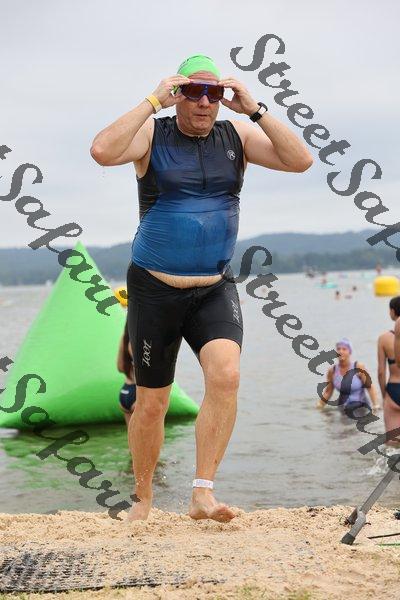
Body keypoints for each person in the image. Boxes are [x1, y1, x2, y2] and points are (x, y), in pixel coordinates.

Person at [90, 53, 313, 522]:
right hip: (154, 288)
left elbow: (301, 161)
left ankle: (202, 493)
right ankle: (143, 499)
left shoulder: (238, 136)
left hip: (214, 286)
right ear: (179, 95)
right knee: (152, 402)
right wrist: (152, 101)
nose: (205, 102)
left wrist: (256, 109)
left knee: (226, 376)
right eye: (194, 91)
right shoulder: (153, 134)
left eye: (214, 93)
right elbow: (102, 151)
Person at [318, 338, 379, 415]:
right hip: (343, 408)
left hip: (361, 407)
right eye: (338, 349)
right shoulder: (332, 370)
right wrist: (319, 406)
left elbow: (370, 387)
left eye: (344, 349)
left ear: (349, 352)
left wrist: (376, 405)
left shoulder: (358, 367)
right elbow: (328, 392)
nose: (341, 351)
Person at [378, 296, 400, 445]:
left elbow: (381, 372)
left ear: (392, 311)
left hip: (393, 389)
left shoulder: (384, 339)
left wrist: (384, 395)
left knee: (392, 445)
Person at [117, 318, 136, 427]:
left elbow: (120, 367)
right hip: (138, 393)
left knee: (131, 435)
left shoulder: (124, 339)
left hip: (125, 391)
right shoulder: (139, 341)